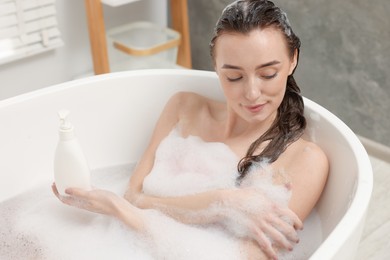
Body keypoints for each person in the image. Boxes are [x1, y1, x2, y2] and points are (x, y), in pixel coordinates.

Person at [52, 0, 328, 259]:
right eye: (234, 76)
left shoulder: (305, 160)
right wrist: (221, 202)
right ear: (216, 68)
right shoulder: (184, 107)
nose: (252, 93)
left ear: (292, 60)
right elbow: (132, 196)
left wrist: (127, 210)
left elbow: (244, 257)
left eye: (268, 74)